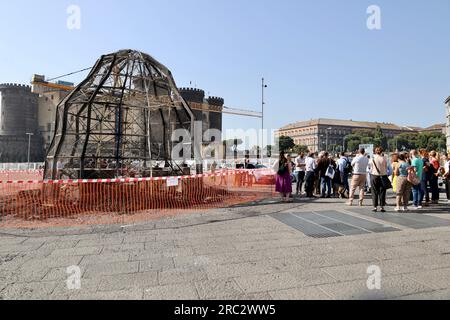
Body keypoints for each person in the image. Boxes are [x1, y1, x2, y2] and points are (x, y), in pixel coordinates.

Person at [370, 147, 388, 212]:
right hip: (383, 176)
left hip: (374, 175)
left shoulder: (372, 159)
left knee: (374, 191)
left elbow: (370, 167)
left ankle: (375, 207)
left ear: (375, 151)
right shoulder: (384, 158)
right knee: (382, 192)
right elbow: (386, 167)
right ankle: (382, 207)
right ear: (381, 151)